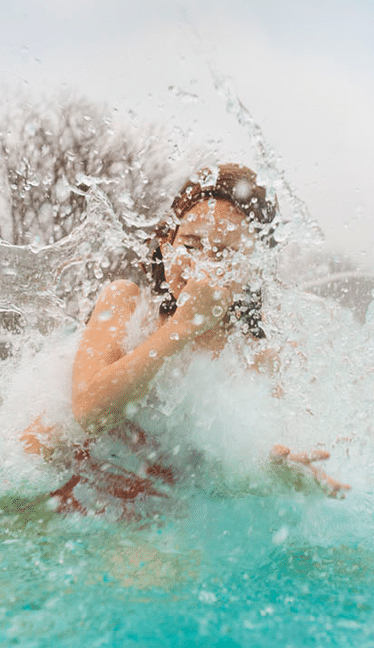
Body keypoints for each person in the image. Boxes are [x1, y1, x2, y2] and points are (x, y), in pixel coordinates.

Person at [20, 163, 348, 517]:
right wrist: (183, 326)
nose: (201, 266)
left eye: (223, 255)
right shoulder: (127, 304)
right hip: (44, 487)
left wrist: (269, 474)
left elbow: (237, 471)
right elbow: (91, 413)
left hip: (139, 516)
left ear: (253, 270)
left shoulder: (255, 357)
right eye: (190, 245)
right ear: (166, 244)